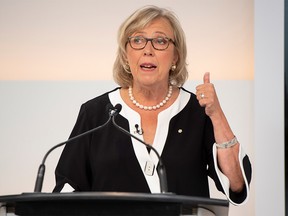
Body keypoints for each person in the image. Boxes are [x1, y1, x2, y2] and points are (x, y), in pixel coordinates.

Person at [53, 5, 252, 206]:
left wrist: (216, 114)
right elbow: (68, 186)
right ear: (125, 54)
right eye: (137, 40)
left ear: (175, 56)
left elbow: (236, 184)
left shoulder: (197, 112)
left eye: (160, 41)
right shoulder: (96, 113)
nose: (148, 50)